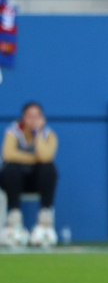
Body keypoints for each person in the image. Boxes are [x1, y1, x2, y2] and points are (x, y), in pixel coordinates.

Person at [0, 102, 58, 246]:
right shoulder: (13, 132)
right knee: (11, 168)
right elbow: (8, 154)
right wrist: (34, 158)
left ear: (42, 118)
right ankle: (14, 218)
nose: (33, 120)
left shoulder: (48, 135)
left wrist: (37, 134)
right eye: (29, 116)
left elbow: (45, 157)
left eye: (36, 116)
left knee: (49, 168)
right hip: (14, 182)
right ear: (23, 118)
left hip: (35, 182)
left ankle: (45, 220)